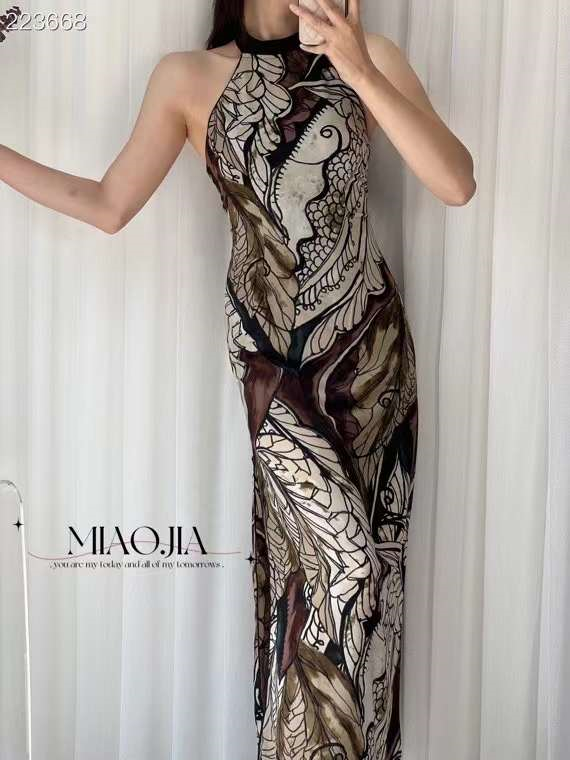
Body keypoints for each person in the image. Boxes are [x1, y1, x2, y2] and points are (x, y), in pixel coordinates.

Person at [0, 1, 476, 758]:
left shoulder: (372, 57)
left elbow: (455, 182)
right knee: (345, 570)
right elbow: (107, 204)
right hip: (273, 363)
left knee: (366, 587)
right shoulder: (187, 77)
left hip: (372, 356)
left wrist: (357, 67)